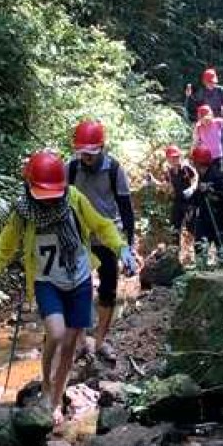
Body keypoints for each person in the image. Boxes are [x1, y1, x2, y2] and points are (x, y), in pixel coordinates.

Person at [0, 150, 136, 424]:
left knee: (71, 343)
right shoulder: (23, 213)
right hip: (46, 281)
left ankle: (55, 399)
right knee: (57, 332)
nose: (50, 199)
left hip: (79, 280)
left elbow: (101, 225)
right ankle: (46, 386)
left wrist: (121, 247)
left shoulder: (74, 199)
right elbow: (7, 245)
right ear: (30, 187)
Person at [67, 119, 136, 362]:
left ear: (102, 147)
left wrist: (130, 244)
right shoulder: (71, 168)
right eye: (83, 152)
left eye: (91, 152)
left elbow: (126, 208)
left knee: (108, 288)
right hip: (79, 238)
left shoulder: (115, 170)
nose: (86, 157)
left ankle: (99, 341)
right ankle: (79, 341)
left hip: (107, 237)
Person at [188, 144, 223, 261]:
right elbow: (198, 196)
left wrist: (210, 189)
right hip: (206, 219)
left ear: (198, 163)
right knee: (200, 249)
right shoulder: (203, 176)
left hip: (218, 221)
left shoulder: (216, 176)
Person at [163, 144, 198, 239]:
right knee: (174, 228)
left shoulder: (186, 168)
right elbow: (166, 186)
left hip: (189, 202)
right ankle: (175, 251)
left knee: (192, 228)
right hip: (177, 202)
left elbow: (196, 178)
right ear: (168, 158)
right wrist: (153, 181)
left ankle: (197, 250)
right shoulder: (169, 172)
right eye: (172, 157)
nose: (175, 159)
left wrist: (192, 188)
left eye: (177, 157)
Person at [192, 103, 223, 170]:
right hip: (204, 157)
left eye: (207, 117)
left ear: (211, 115)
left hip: (217, 156)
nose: (206, 120)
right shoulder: (199, 127)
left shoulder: (217, 122)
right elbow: (195, 141)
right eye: (203, 118)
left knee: (217, 177)